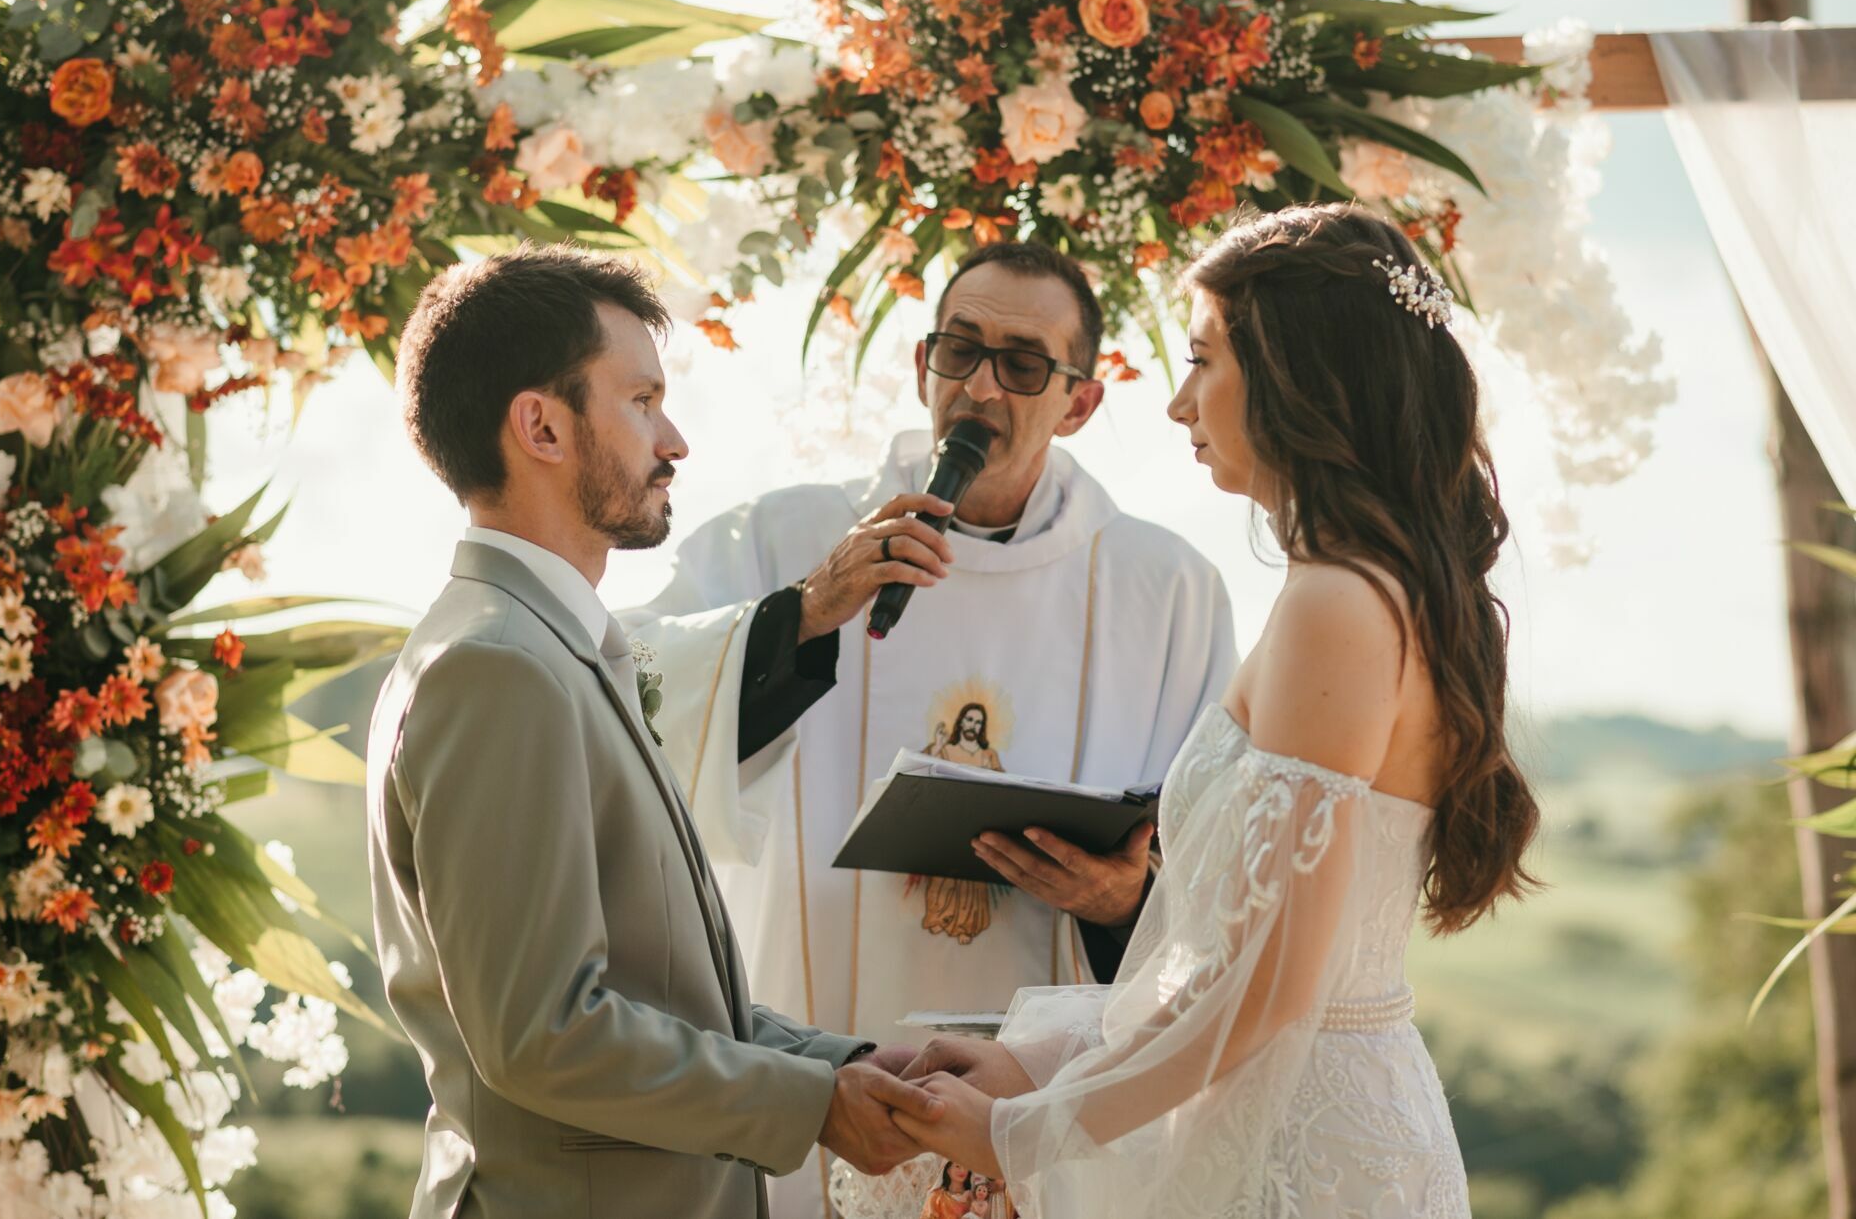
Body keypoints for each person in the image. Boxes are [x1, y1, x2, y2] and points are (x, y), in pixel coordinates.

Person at [887, 204, 1541, 1218]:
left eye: (1202, 361)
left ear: (1294, 377)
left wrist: (1026, 1132)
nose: (1180, 403)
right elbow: (1233, 961)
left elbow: (1275, 985)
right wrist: (1044, 1059)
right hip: (1289, 1109)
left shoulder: (1340, 604)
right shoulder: (1367, 587)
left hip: (1301, 1146)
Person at [627, 242, 1237, 1218]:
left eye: (1023, 363)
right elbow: (627, 689)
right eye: (959, 350)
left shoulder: (1166, 592)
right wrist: (797, 617)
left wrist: (1128, 900)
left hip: (1040, 1096)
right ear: (923, 367)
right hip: (824, 1054)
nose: (982, 385)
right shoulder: (786, 539)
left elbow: (1217, 861)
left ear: (1079, 402)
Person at [363, 242, 944, 1219]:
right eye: (641, 401)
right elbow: (546, 1034)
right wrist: (813, 1103)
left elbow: (661, 990)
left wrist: (844, 1063)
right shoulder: (495, 667)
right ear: (541, 425)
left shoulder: (550, 644)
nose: (673, 440)